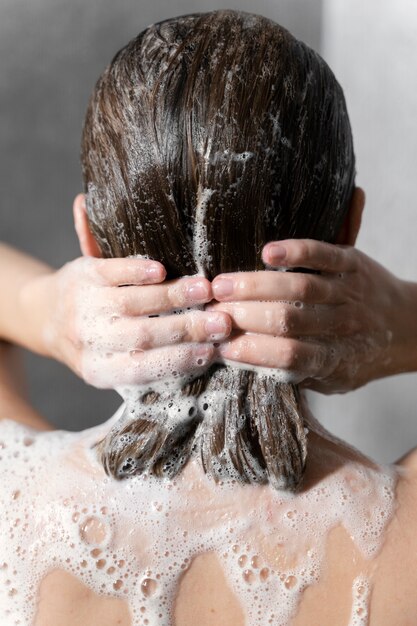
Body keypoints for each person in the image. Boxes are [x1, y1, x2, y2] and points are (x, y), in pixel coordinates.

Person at [0, 9, 417, 625]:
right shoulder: (400, 539)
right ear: (350, 228)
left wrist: (45, 312)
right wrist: (402, 322)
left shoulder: (18, 514)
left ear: (88, 236)